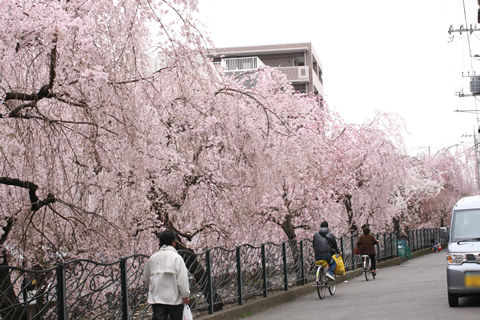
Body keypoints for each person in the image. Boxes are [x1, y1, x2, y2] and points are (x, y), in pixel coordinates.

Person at [144, 229, 190, 320]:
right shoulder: (177, 258)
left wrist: (150, 290)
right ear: (173, 243)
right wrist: (185, 295)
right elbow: (182, 280)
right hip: (174, 299)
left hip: (157, 299)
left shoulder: (152, 259)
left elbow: (147, 279)